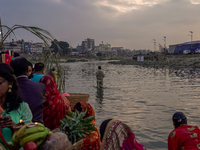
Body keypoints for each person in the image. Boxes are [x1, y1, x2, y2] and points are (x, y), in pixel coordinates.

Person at [0, 63, 33, 142]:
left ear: (10, 83)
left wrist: (14, 126)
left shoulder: (22, 107)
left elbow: (29, 134)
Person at [10, 57, 45, 124]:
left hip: (18, 128)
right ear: (27, 70)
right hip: (38, 127)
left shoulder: (10, 88)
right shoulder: (41, 86)